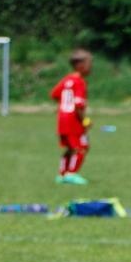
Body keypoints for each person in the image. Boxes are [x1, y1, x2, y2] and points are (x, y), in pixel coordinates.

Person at [50, 48, 91, 185]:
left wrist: (62, 106)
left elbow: (54, 94)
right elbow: (78, 105)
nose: (91, 67)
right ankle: (71, 174)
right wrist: (85, 120)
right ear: (81, 65)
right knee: (82, 147)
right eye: (89, 64)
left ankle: (62, 174)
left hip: (62, 118)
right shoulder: (79, 82)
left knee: (70, 148)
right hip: (73, 119)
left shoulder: (66, 79)